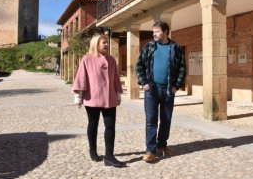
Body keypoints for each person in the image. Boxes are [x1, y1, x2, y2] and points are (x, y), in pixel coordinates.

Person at [136, 21, 186, 163]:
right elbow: (139, 65)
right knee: (151, 120)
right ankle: (150, 150)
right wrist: (144, 82)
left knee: (166, 119)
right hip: (151, 89)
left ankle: (162, 145)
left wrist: (176, 86)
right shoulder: (149, 46)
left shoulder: (175, 47)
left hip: (168, 90)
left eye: (156, 31)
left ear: (165, 32)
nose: (154, 34)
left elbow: (182, 68)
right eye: (153, 32)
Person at [72, 34, 124, 168]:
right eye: (103, 43)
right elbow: (81, 77)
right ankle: (93, 151)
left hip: (109, 98)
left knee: (110, 126)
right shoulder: (87, 59)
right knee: (93, 124)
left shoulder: (111, 60)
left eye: (107, 42)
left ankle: (109, 156)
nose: (106, 45)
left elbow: (115, 78)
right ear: (96, 44)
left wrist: (118, 94)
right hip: (92, 98)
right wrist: (78, 96)